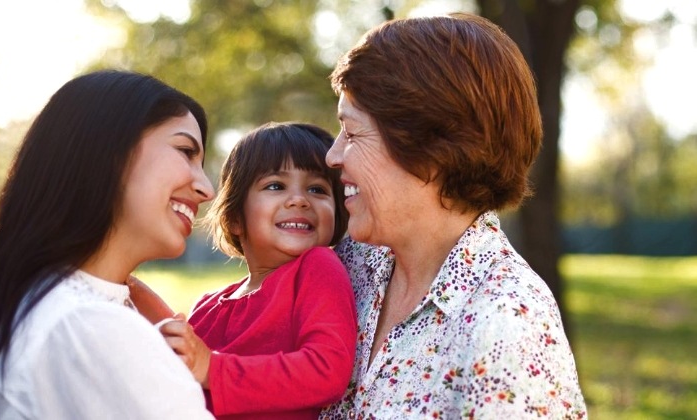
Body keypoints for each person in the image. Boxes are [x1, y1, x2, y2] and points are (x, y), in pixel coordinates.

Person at [318, 13, 587, 419]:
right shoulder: (349, 266)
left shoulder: (508, 324)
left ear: (431, 150)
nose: (332, 156)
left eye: (352, 133)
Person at [0, 70, 216, 419]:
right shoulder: (88, 323)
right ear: (108, 151)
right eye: (185, 151)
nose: (207, 189)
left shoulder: (49, 304)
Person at [130, 122, 357, 420]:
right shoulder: (210, 303)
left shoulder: (316, 268)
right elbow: (183, 347)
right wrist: (128, 286)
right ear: (235, 218)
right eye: (276, 186)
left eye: (317, 189)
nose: (300, 200)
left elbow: (326, 370)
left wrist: (212, 369)